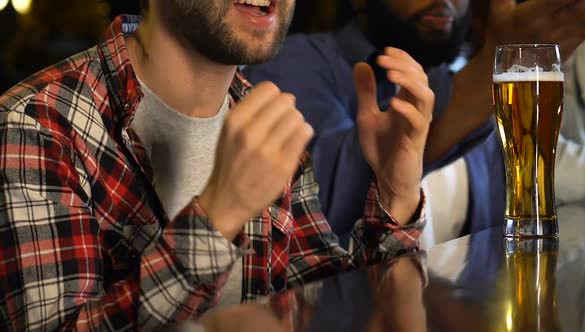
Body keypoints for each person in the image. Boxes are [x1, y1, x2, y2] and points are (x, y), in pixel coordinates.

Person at [0, 0, 434, 330]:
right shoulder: (37, 122)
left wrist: (396, 195)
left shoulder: (262, 116)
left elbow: (328, 307)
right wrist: (219, 214)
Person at [243, 0, 585, 246]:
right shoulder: (295, 59)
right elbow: (315, 208)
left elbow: (545, 171)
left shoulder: (462, 77)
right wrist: (494, 68)